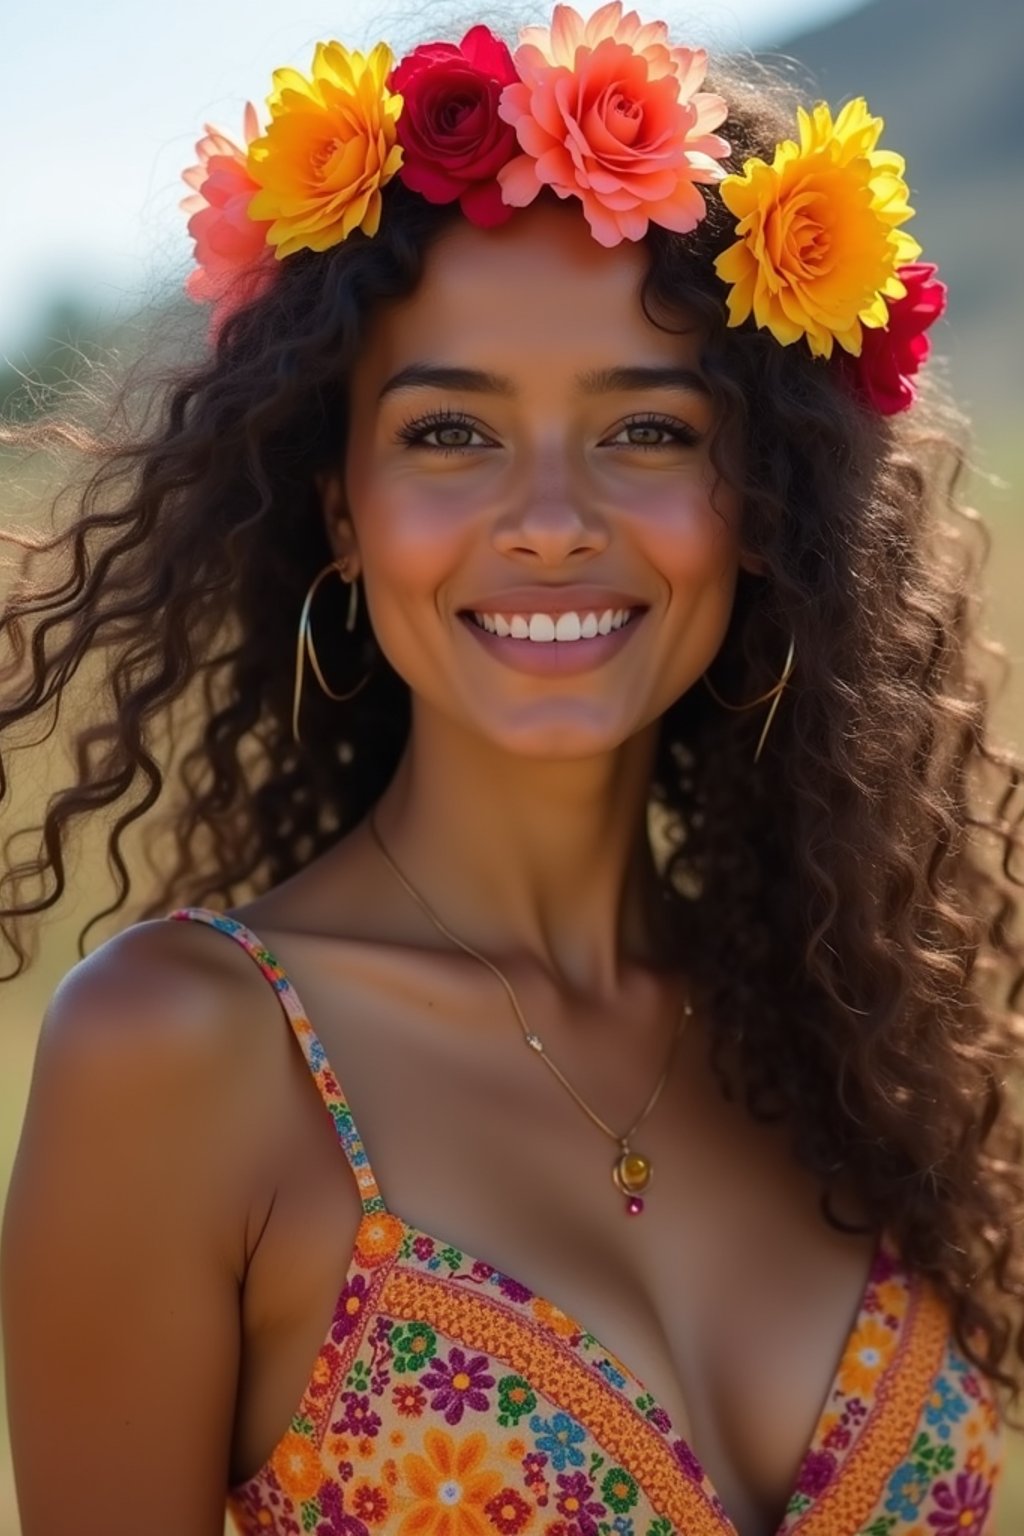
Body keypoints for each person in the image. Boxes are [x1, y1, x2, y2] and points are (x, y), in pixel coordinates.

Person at [1, 7, 1022, 1534]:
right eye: (455, 430)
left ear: (763, 503)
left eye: (652, 430)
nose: (551, 519)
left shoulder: (858, 1032)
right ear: (340, 510)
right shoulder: (187, 1059)